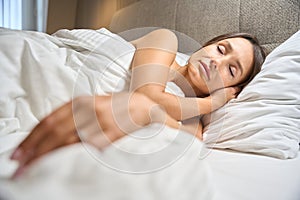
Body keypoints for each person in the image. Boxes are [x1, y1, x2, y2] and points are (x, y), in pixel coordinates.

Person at [10, 29, 266, 178]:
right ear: (206, 46)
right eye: (221, 50)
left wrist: (194, 112)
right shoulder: (166, 41)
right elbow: (147, 96)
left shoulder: (191, 118)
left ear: (232, 88)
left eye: (231, 70)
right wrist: (212, 102)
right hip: (35, 63)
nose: (216, 63)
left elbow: (185, 146)